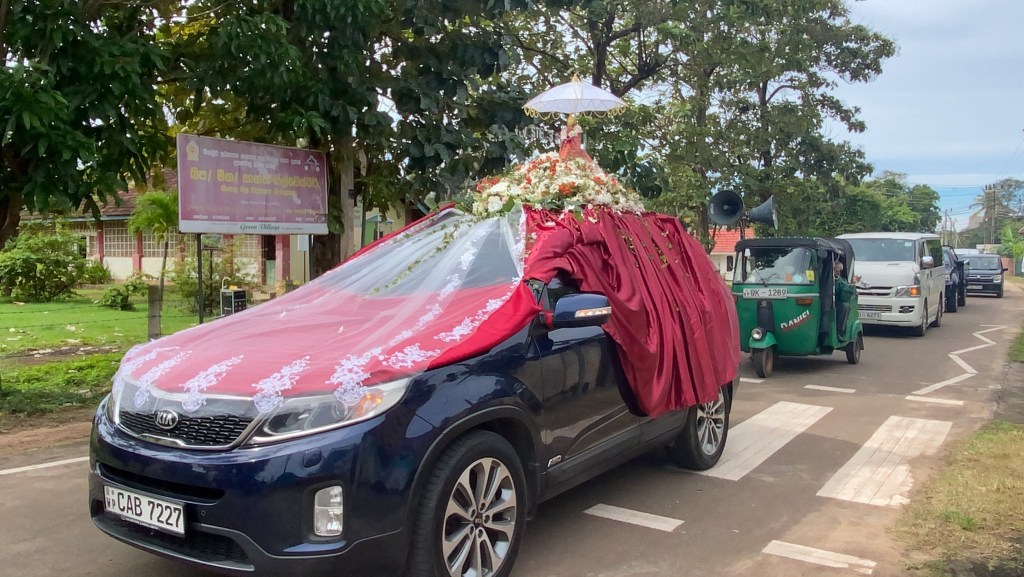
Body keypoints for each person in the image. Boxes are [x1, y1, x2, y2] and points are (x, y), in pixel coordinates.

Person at [833, 260, 859, 340]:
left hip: (837, 302)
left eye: (839, 271)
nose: (838, 273)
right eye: (836, 270)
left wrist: (852, 284)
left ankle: (840, 331)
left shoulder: (842, 281)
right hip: (826, 300)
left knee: (845, 306)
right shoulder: (825, 278)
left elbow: (844, 297)